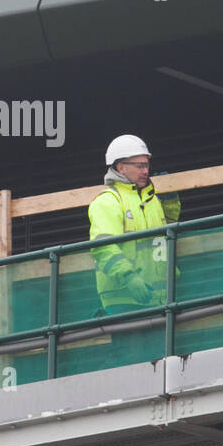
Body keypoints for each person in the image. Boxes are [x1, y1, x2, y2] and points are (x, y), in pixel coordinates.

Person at [88, 135, 181, 316]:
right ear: (120, 167)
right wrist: (129, 278)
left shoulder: (152, 200)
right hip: (123, 299)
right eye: (139, 166)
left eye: (146, 165)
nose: (145, 171)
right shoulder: (108, 201)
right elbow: (103, 247)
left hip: (158, 298)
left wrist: (170, 201)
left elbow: (167, 230)